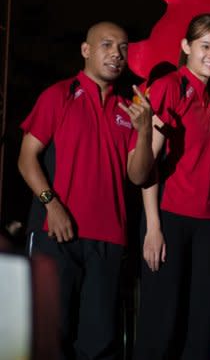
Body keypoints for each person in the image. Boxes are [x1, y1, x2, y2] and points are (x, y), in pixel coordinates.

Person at [17, 21, 154, 359]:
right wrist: (52, 205)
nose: (116, 54)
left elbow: (137, 176)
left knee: (98, 341)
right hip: (56, 234)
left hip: (108, 240)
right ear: (86, 50)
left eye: (123, 48)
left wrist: (145, 130)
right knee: (50, 336)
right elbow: (26, 158)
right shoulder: (58, 95)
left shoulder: (129, 109)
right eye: (107, 45)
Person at [133, 13, 210, 359]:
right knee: (161, 325)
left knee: (200, 327)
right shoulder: (170, 86)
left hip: (207, 224)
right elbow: (148, 168)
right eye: (205, 46)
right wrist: (154, 227)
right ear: (186, 46)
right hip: (169, 218)